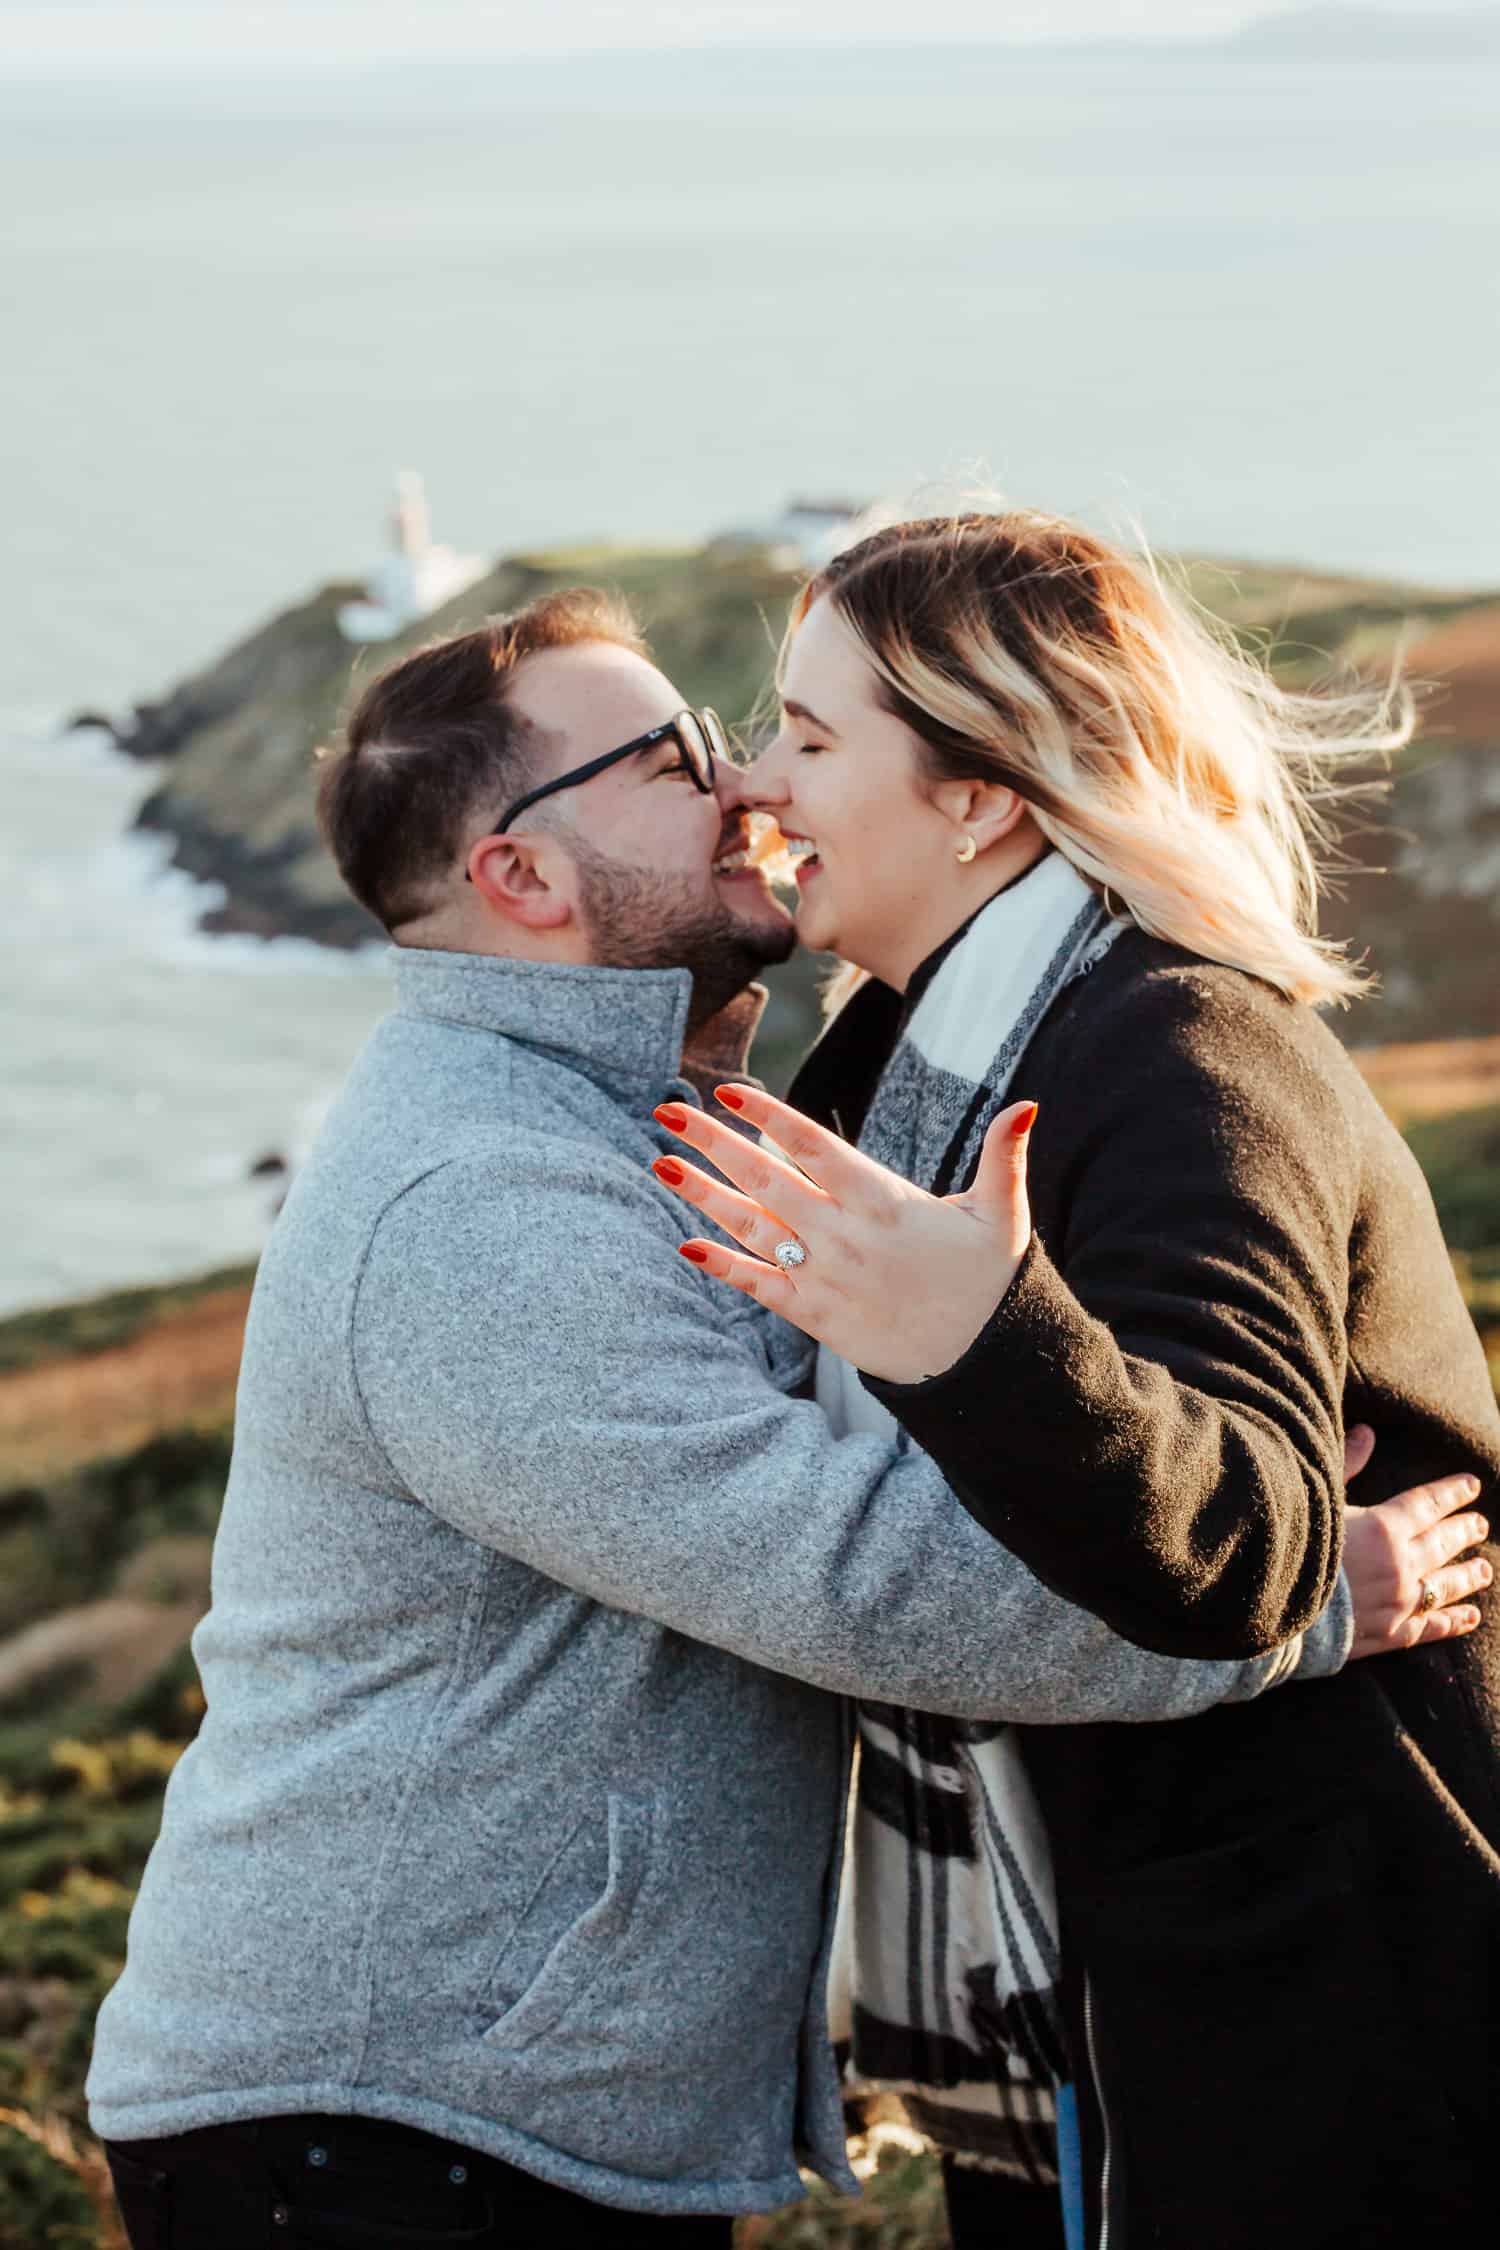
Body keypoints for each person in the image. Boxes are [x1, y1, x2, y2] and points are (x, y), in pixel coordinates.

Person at [85, 589, 1473, 2250]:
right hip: (383, 2116)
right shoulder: (482, 1204)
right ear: (521, 876)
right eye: (678, 757)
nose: (745, 781)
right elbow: (861, 1576)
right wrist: (1306, 1602)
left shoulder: (686, 1114)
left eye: (770, 732)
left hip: (502, 2106)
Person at [648, 510, 1500, 2249]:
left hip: (1309, 2002)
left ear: (980, 795)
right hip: (1091, 1980)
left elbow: (1254, 1543)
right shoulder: (918, 1044)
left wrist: (981, 1336)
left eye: (811, 738)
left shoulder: (1184, 1047)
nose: (761, 785)